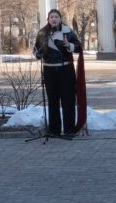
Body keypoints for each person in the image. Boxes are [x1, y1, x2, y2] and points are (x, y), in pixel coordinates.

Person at [33, 9, 81, 137]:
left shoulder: (67, 31)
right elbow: (36, 50)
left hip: (65, 69)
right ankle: (54, 130)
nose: (54, 19)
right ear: (48, 19)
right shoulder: (42, 33)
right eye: (51, 17)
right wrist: (39, 52)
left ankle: (69, 130)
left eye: (56, 17)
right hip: (49, 70)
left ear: (60, 19)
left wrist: (69, 45)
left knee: (68, 100)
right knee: (52, 100)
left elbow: (78, 47)